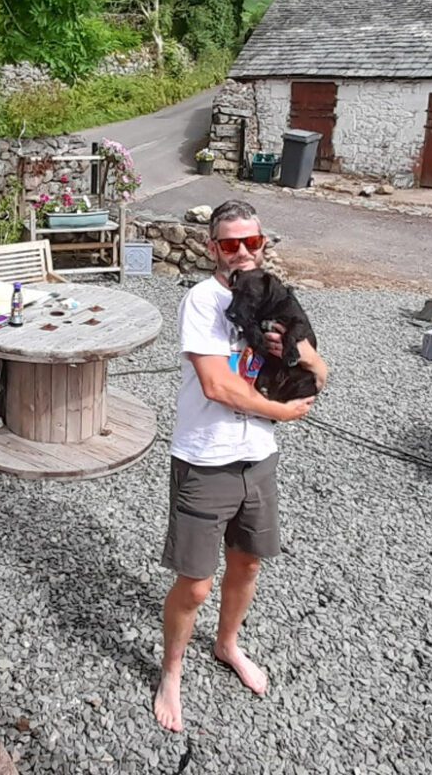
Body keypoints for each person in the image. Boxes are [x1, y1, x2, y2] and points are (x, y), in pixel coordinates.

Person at [155, 199, 327, 734]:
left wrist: (304, 358)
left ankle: (227, 644)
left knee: (249, 563)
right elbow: (216, 385)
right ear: (213, 249)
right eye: (231, 244)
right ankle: (171, 670)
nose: (244, 252)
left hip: (260, 457)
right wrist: (282, 410)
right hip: (206, 456)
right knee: (197, 582)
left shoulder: (276, 298)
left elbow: (319, 372)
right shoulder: (203, 300)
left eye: (253, 242)